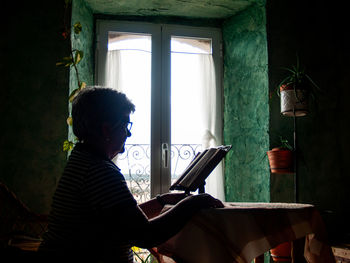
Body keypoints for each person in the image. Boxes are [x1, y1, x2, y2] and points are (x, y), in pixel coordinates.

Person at [38, 86, 223, 263]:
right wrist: (193, 203)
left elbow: (120, 217)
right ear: (106, 129)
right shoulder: (99, 171)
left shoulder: (82, 159)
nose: (129, 133)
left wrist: (162, 201)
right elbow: (145, 235)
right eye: (125, 124)